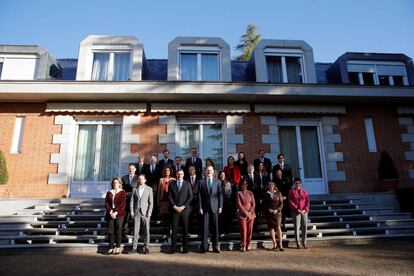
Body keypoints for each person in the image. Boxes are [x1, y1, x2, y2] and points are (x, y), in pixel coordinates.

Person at [198, 165, 223, 253]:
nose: (209, 172)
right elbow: (199, 196)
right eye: (207, 170)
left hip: (215, 207)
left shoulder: (218, 182)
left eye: (210, 170)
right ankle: (204, 247)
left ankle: (215, 247)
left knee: (215, 228)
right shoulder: (201, 182)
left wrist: (220, 206)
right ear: (205, 172)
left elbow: (220, 195)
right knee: (204, 228)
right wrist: (200, 207)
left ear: (213, 171)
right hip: (204, 208)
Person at [168, 169, 193, 254]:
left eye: (181, 174)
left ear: (183, 175)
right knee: (174, 229)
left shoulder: (187, 184)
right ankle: (173, 247)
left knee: (185, 229)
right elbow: (169, 196)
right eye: (178, 174)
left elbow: (190, 197)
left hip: (185, 210)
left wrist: (183, 206)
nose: (179, 176)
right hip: (174, 210)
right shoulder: (172, 184)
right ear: (176, 175)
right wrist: (174, 206)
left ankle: (185, 247)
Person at [130, 174, 153, 254]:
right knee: (136, 231)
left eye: (142, 179)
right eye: (139, 179)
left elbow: (151, 202)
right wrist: (132, 211)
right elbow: (132, 201)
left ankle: (146, 247)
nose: (141, 180)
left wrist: (149, 212)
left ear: (145, 180)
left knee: (146, 231)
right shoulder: (134, 189)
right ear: (138, 180)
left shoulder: (149, 189)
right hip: (136, 212)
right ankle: (134, 248)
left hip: (145, 213)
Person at [104, 177, 126, 255]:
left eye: (117, 182)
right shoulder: (109, 192)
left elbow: (122, 204)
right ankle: (110, 247)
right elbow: (106, 203)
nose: (115, 184)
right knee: (110, 231)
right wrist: (110, 211)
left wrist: (115, 212)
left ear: (120, 184)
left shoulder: (122, 192)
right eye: (114, 182)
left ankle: (118, 247)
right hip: (110, 213)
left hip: (119, 214)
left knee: (118, 229)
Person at [288, 177, 310, 250]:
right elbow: (290, 202)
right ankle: (298, 243)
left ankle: (304, 243)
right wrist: (297, 209)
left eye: (299, 183)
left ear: (300, 184)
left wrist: (305, 209)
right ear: (294, 184)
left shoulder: (304, 191)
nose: (297, 184)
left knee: (304, 227)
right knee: (297, 227)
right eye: (296, 183)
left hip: (304, 211)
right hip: (296, 212)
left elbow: (307, 201)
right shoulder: (291, 191)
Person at [263, 181, 284, 251]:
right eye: (269, 185)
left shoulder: (278, 193)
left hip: (277, 213)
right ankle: (274, 244)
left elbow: (281, 203)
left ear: (274, 185)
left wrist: (277, 210)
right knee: (271, 228)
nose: (271, 185)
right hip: (269, 213)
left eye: (272, 184)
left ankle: (280, 244)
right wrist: (268, 209)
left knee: (278, 227)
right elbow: (263, 204)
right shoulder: (265, 194)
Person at [236, 179, 256, 252]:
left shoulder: (251, 193)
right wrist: (245, 212)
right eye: (243, 184)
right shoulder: (239, 193)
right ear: (241, 185)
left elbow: (253, 204)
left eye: (246, 184)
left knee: (250, 231)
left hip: (251, 215)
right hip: (242, 214)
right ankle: (243, 245)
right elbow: (239, 204)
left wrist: (250, 212)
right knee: (244, 230)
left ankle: (248, 245)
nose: (245, 185)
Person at [157, 166, 175, 236]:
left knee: (170, 216)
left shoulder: (173, 179)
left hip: (171, 200)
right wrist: (158, 200)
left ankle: (169, 230)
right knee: (164, 216)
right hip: (163, 200)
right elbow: (159, 191)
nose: (167, 171)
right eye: (165, 170)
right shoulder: (161, 179)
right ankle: (165, 230)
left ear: (170, 171)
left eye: (168, 170)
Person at [121, 164, 138, 234]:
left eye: (132, 168)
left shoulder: (138, 178)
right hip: (126, 199)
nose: (131, 170)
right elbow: (122, 188)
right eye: (130, 168)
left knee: (135, 215)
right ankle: (125, 230)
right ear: (128, 169)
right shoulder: (124, 177)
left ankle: (135, 231)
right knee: (126, 215)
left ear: (135, 169)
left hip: (135, 199)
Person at [186, 165, 201, 234]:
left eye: (192, 169)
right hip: (189, 201)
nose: (191, 170)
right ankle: (190, 230)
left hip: (197, 200)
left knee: (199, 215)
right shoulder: (186, 178)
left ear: (195, 170)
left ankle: (199, 230)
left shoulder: (199, 179)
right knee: (189, 215)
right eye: (190, 169)